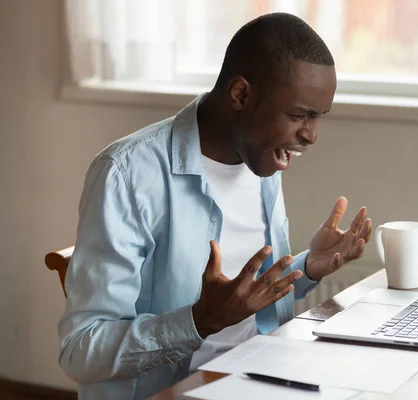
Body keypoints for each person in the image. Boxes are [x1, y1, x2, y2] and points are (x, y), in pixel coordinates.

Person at [58, 12, 371, 400]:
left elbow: (242, 296)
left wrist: (306, 267)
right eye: (298, 115)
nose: (311, 135)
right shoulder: (126, 173)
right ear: (240, 95)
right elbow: (79, 351)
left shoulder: (262, 159)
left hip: (262, 376)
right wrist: (196, 322)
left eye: (318, 117)